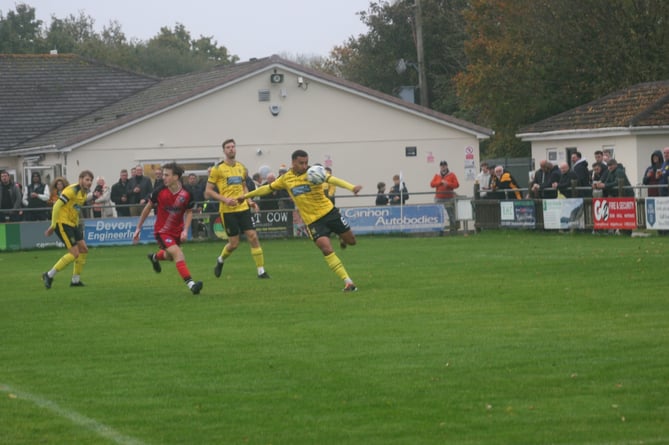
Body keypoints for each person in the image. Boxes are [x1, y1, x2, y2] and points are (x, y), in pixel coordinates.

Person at [240, 149, 362, 292]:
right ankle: (348, 282)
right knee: (326, 248)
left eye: (306, 163)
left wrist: (351, 187)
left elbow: (332, 179)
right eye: (301, 163)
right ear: (293, 163)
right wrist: (246, 196)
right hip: (313, 221)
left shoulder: (314, 172)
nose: (304, 166)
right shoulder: (286, 178)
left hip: (329, 212)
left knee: (351, 241)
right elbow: (266, 188)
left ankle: (342, 238)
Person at [132, 163, 203, 295]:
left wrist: (185, 230)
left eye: (166, 175)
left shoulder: (187, 193)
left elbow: (189, 212)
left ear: (176, 177)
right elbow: (147, 208)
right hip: (162, 231)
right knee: (178, 254)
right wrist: (138, 228)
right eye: (163, 174)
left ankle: (154, 257)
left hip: (177, 230)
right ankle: (192, 285)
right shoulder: (159, 191)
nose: (163, 177)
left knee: (170, 257)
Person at [205, 138, 269, 279]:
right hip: (228, 211)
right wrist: (225, 199)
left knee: (253, 237)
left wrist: (250, 201)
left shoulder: (241, 167)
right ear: (224, 151)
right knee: (234, 244)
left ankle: (261, 271)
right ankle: (220, 260)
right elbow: (208, 191)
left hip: (243, 208)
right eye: (228, 147)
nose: (231, 149)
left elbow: (243, 186)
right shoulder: (217, 169)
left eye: (233, 146)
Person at [41, 170, 94, 289]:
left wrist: (76, 225)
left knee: (84, 250)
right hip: (62, 223)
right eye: (87, 179)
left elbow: (75, 209)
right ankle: (49, 275)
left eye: (91, 180)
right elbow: (56, 206)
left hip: (72, 224)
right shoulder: (72, 190)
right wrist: (53, 225)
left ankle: (75, 281)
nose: (89, 182)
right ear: (80, 179)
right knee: (74, 253)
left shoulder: (83, 193)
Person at [430, 160, 459, 232]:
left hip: (449, 198)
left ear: (447, 166)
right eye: (442, 166)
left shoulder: (452, 175)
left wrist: (448, 184)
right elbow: (432, 184)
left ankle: (453, 229)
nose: (443, 167)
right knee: (439, 215)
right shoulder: (437, 175)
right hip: (438, 198)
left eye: (444, 165)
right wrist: (440, 182)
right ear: (440, 167)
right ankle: (440, 230)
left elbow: (457, 185)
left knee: (451, 214)